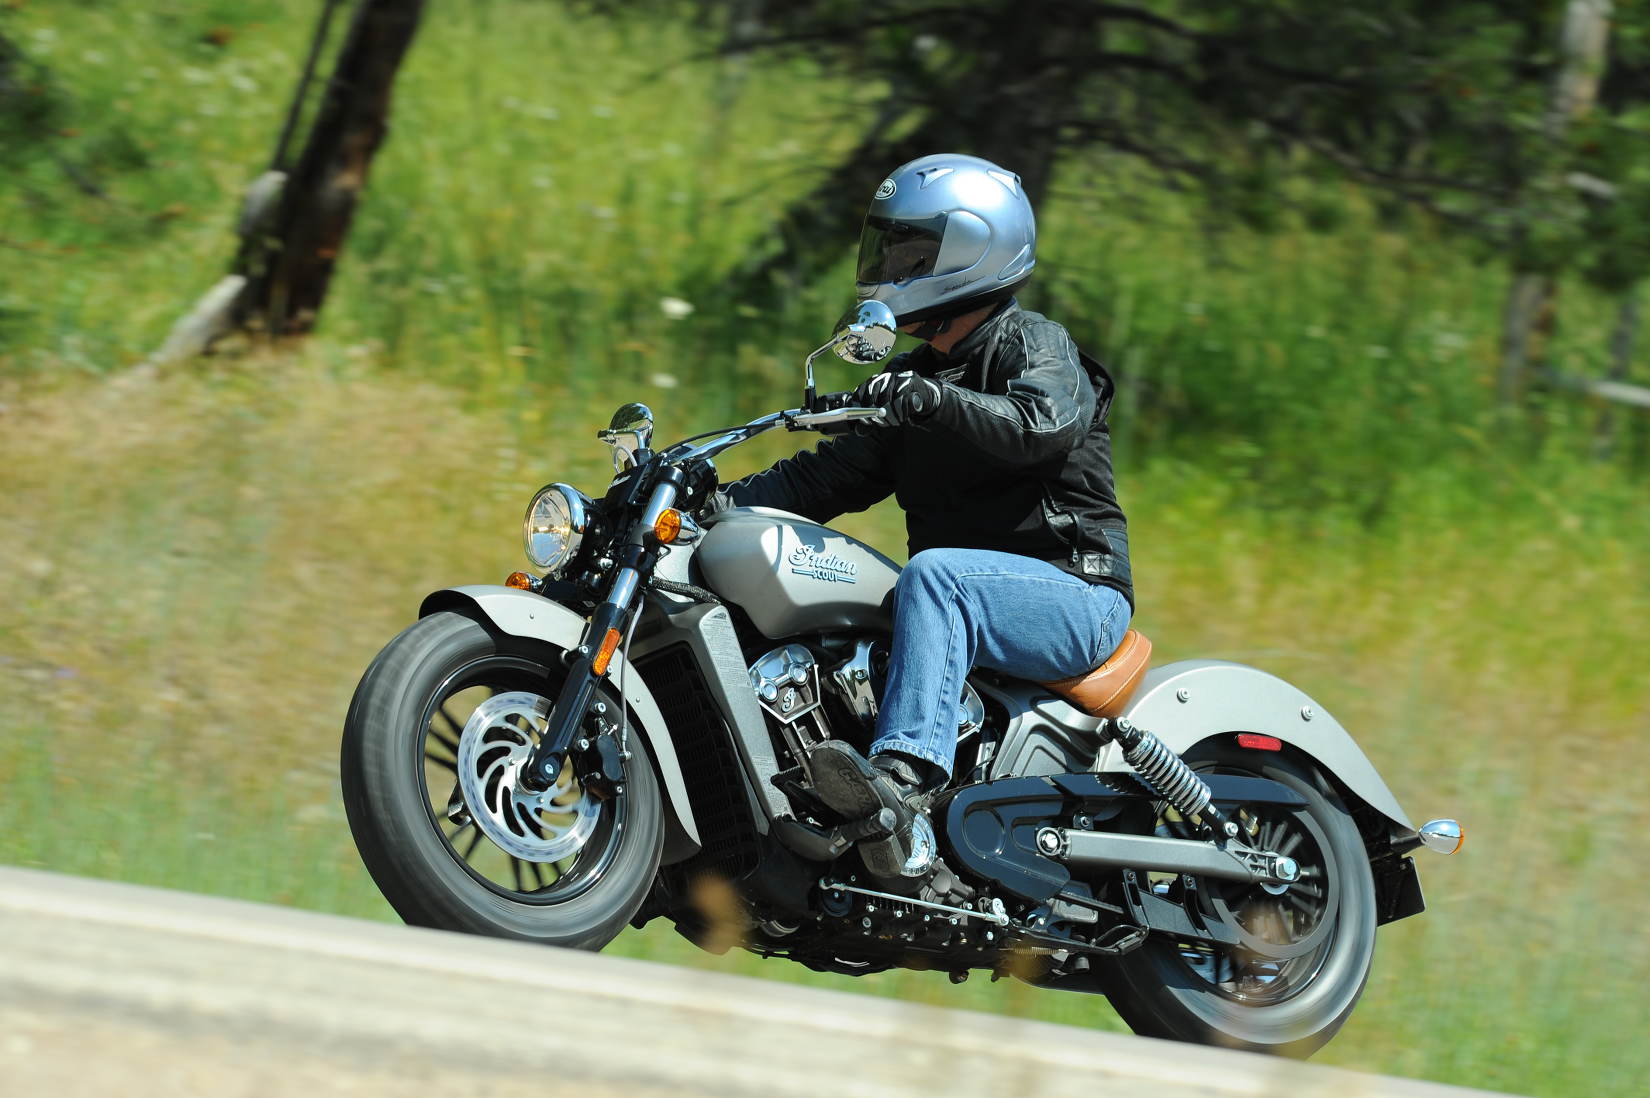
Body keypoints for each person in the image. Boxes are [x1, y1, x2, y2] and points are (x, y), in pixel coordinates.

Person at [721, 153, 1134, 883]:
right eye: (889, 250)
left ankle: (903, 784)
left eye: (912, 254)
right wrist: (712, 503)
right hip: (973, 597)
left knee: (936, 577)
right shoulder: (914, 381)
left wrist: (931, 402)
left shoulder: (1033, 343)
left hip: (1076, 593)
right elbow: (822, 478)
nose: (890, 268)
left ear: (974, 251)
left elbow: (1042, 425)